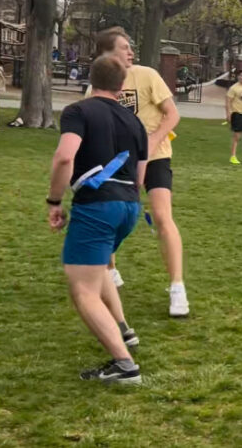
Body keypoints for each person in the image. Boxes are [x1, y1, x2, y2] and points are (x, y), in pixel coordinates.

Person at [47, 54, 147, 384]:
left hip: (98, 208)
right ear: (122, 86)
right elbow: (140, 175)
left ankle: (124, 365)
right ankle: (122, 330)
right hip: (129, 207)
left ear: (90, 79)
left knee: (83, 290)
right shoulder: (135, 122)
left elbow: (64, 158)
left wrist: (55, 201)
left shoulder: (78, 111)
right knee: (100, 265)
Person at [93, 27, 188, 318]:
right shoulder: (98, 85)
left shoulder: (147, 75)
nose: (130, 52)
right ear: (107, 53)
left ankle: (177, 288)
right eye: (124, 47)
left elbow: (173, 115)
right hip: (119, 163)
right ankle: (109, 269)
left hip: (156, 156)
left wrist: (153, 140)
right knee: (108, 217)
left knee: (161, 216)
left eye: (130, 47)